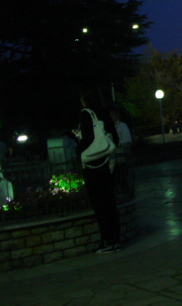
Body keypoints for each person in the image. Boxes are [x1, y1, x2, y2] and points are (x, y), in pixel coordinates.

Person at [76, 86, 120, 254]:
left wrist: (78, 149)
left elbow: (87, 138)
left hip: (93, 168)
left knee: (99, 205)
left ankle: (106, 241)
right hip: (107, 164)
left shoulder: (86, 113)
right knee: (110, 203)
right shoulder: (103, 112)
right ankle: (115, 241)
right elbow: (114, 138)